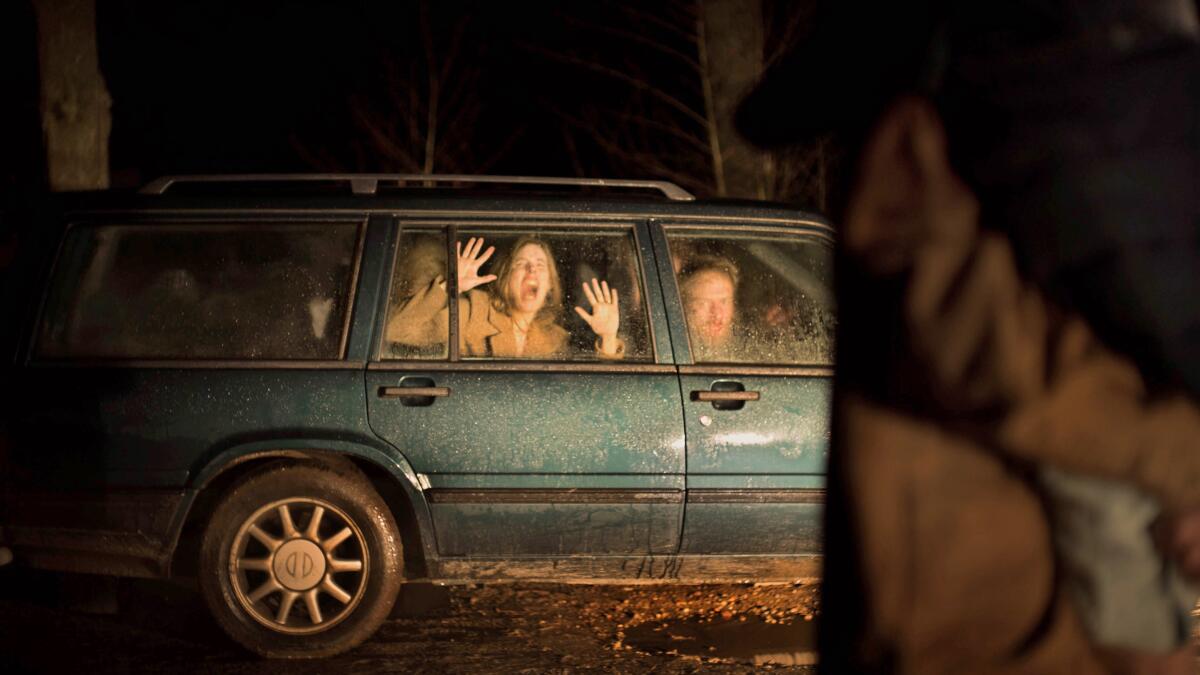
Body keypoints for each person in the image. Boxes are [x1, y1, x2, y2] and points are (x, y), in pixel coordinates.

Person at [735, 2, 1200, 673]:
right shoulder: (939, 135)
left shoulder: (1068, 112)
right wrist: (1183, 459)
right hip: (972, 633)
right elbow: (999, 357)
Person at [388, 236, 624, 359]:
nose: (532, 271)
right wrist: (448, 286)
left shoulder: (556, 340)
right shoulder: (473, 313)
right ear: (505, 278)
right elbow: (397, 330)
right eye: (522, 264)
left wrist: (608, 338)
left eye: (540, 266)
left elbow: (598, 396)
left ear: (550, 287)